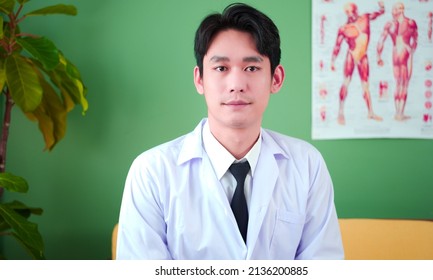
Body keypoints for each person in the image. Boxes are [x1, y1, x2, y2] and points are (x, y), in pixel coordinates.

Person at [116, 3, 344, 260]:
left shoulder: (307, 165)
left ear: (276, 79)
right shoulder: (151, 173)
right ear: (199, 79)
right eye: (221, 68)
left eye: (251, 68)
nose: (236, 84)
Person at [331, 2, 384, 125]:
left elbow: (379, 13)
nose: (351, 14)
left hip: (363, 56)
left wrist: (381, 6)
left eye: (352, 11)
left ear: (356, 10)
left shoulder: (365, 18)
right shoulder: (344, 29)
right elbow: (337, 46)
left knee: (366, 85)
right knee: (346, 83)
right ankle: (340, 112)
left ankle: (370, 112)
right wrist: (333, 61)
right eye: (348, 12)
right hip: (352, 55)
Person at [376, 2, 418, 121]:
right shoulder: (410, 22)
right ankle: (400, 113)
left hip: (395, 52)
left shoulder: (389, 24)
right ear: (402, 9)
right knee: (404, 84)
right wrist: (411, 50)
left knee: (398, 83)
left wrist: (378, 56)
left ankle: (397, 113)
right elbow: (415, 39)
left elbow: (380, 41)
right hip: (405, 51)